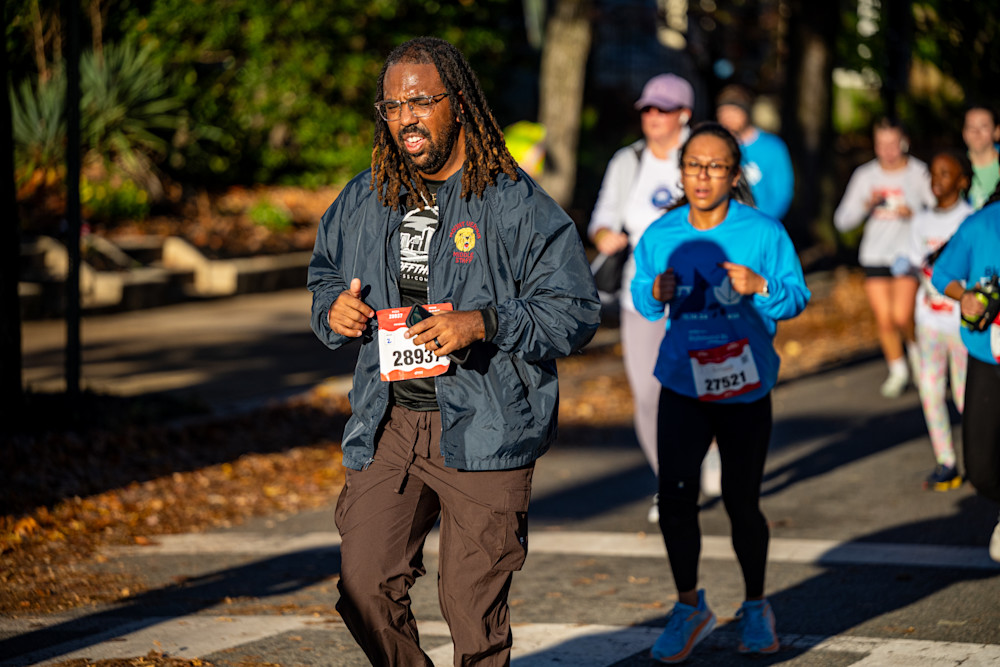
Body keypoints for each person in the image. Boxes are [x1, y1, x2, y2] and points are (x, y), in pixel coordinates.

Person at [307, 37, 600, 666]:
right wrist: (333, 308)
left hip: (486, 425)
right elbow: (324, 274)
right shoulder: (366, 197)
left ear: (458, 103)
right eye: (391, 107)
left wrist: (485, 323)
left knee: (472, 612)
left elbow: (574, 313)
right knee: (364, 586)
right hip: (390, 424)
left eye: (420, 102)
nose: (405, 118)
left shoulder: (516, 204)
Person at [631, 122, 810, 662]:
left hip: (746, 384)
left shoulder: (764, 232)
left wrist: (762, 286)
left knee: (741, 502)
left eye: (715, 167)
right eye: (693, 166)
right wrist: (653, 291)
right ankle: (690, 606)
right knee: (677, 499)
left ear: (734, 176)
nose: (702, 176)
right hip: (684, 383)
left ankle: (756, 603)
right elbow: (643, 298)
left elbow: (796, 297)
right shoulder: (661, 234)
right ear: (680, 173)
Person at [588, 73, 694, 523]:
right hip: (642, 294)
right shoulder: (627, 160)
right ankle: (670, 483)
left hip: (698, 296)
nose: (653, 116)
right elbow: (601, 217)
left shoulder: (703, 155)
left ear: (684, 115)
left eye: (663, 109)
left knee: (697, 390)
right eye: (648, 109)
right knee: (648, 393)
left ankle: (699, 458)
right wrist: (605, 234)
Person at [834, 118, 935, 398]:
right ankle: (897, 370)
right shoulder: (865, 176)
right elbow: (842, 221)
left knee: (903, 315)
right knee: (884, 318)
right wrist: (866, 206)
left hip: (907, 256)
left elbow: (937, 210)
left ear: (904, 142)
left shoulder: (918, 172)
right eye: (881, 144)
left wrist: (912, 212)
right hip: (875, 255)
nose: (888, 150)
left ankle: (918, 357)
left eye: (893, 143)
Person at [930, 182, 1000, 563]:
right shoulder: (982, 224)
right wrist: (965, 296)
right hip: (988, 356)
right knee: (981, 468)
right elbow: (942, 274)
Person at [903, 150, 973, 490]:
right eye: (933, 173)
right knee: (930, 390)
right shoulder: (921, 221)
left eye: (946, 174)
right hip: (928, 317)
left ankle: (980, 457)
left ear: (962, 181)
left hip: (961, 323)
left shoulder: (972, 219)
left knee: (964, 394)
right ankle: (946, 461)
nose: (936, 180)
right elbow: (908, 261)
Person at [715, 83, 794, 221]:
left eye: (734, 112)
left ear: (746, 113)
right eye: (723, 113)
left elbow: (782, 193)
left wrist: (761, 223)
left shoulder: (772, 147)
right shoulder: (714, 146)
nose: (727, 119)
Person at [963, 105, 1000, 210]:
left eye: (983, 126)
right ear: (964, 133)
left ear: (997, 131)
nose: (976, 133)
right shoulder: (955, 167)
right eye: (971, 127)